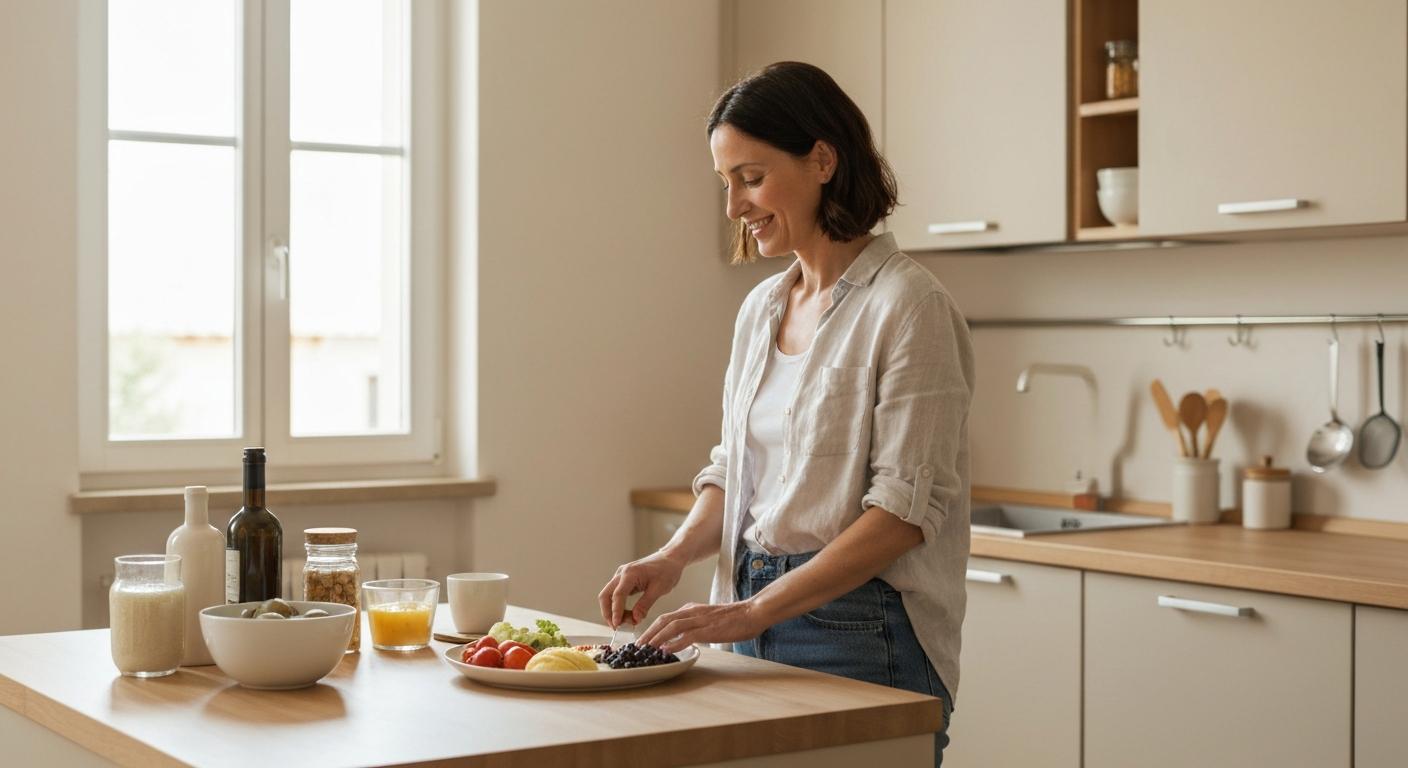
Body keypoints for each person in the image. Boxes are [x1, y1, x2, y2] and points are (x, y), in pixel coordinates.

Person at [598, 61, 973, 766]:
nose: (734, 207)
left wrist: (752, 612)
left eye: (751, 177)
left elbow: (901, 515)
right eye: (726, 183)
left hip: (859, 630)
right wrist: (671, 557)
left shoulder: (909, 305)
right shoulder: (762, 307)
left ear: (822, 160)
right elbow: (735, 470)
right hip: (744, 612)